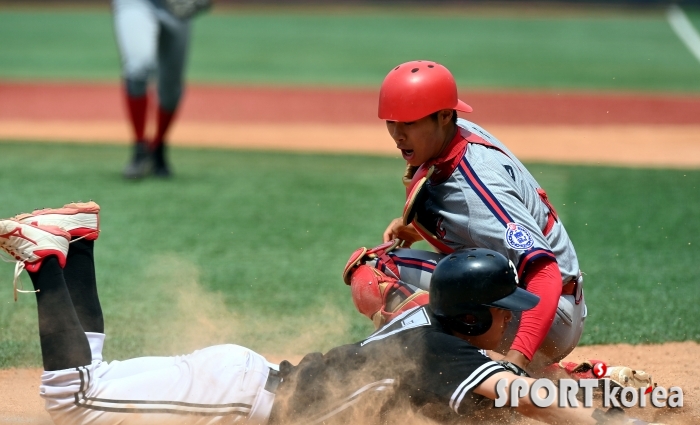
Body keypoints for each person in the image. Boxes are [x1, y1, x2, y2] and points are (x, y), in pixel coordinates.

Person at [0, 202, 636, 425]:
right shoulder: (448, 355)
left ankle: (76, 243)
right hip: (239, 398)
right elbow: (523, 394)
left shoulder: (420, 322)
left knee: (93, 378)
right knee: (73, 401)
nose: (512, 320)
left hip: (241, 382)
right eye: (504, 311)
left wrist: (581, 376)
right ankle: (45, 258)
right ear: (472, 319)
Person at [374, 60, 586, 375]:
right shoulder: (455, 137)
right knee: (400, 269)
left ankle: (459, 371)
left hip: (545, 311)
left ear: (444, 116)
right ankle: (560, 376)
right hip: (515, 297)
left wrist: (516, 364)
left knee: (376, 269)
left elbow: (544, 273)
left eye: (410, 123)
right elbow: (475, 227)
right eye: (393, 121)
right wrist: (418, 228)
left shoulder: (480, 184)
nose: (398, 134)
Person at [112, 0, 209, 179]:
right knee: (138, 65)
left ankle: (158, 147)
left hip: (176, 6)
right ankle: (140, 148)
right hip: (136, 3)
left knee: (171, 88)